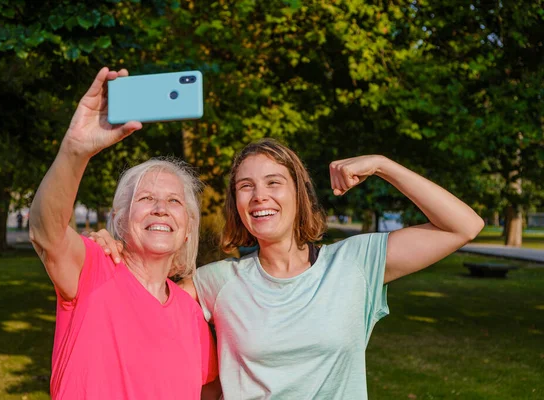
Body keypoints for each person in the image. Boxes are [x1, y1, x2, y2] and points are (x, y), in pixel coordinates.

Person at [92, 140, 484, 398]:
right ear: (237, 204)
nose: (260, 195)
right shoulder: (218, 281)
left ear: (298, 193)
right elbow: (141, 302)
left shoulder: (355, 264)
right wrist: (111, 248)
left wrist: (383, 165)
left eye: (274, 182)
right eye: (246, 186)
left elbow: (463, 226)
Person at [29, 67, 218, 400]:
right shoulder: (94, 271)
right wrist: (75, 150)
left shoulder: (191, 316)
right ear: (119, 219)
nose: (161, 208)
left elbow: (211, 387)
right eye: (146, 198)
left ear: (188, 229)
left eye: (174, 201)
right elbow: (46, 231)